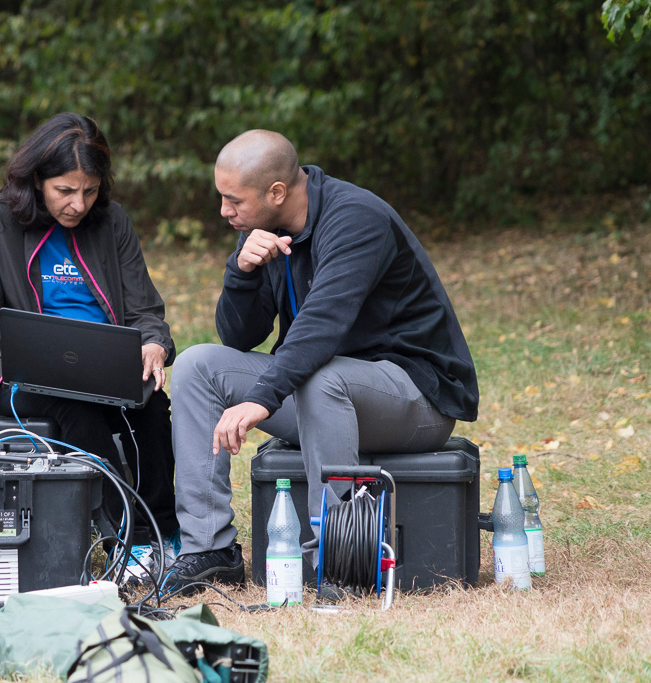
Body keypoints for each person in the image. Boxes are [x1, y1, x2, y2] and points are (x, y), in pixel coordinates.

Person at [163, 130, 479, 593]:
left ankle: (343, 562)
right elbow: (239, 336)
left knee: (321, 377)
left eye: (234, 201)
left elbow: (322, 327)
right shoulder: (262, 229)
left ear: (276, 192)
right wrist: (242, 272)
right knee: (197, 366)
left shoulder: (356, 219)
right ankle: (210, 550)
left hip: (417, 397)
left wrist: (262, 398)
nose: (224, 212)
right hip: (325, 394)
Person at [0, 113, 180, 583]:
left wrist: (154, 343)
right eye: (65, 191)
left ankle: (160, 532)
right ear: (37, 179)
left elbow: (144, 309)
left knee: (151, 407)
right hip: (14, 371)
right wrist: (40, 347)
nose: (78, 204)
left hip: (102, 363)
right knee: (75, 406)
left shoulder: (111, 222)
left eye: (90, 190)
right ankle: (124, 538)